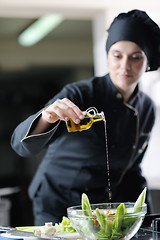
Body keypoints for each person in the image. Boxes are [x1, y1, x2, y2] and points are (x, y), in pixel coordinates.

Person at [11, 9, 160, 225]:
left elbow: (131, 170)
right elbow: (20, 146)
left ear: (148, 62)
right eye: (117, 55)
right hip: (57, 203)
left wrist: (148, 221)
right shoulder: (79, 94)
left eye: (136, 57)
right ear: (108, 55)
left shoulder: (147, 107)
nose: (124, 65)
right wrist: (47, 117)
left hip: (101, 209)